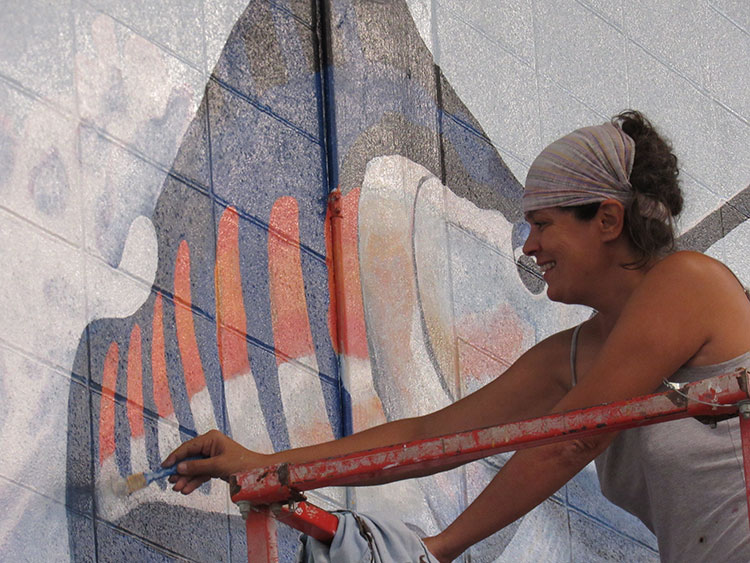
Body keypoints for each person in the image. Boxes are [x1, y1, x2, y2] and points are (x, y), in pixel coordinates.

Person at [163, 111, 750, 562]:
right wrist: (264, 464)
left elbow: (573, 439)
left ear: (607, 221)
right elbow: (428, 436)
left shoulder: (689, 284)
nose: (528, 246)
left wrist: (440, 547)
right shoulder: (574, 358)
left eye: (544, 224)